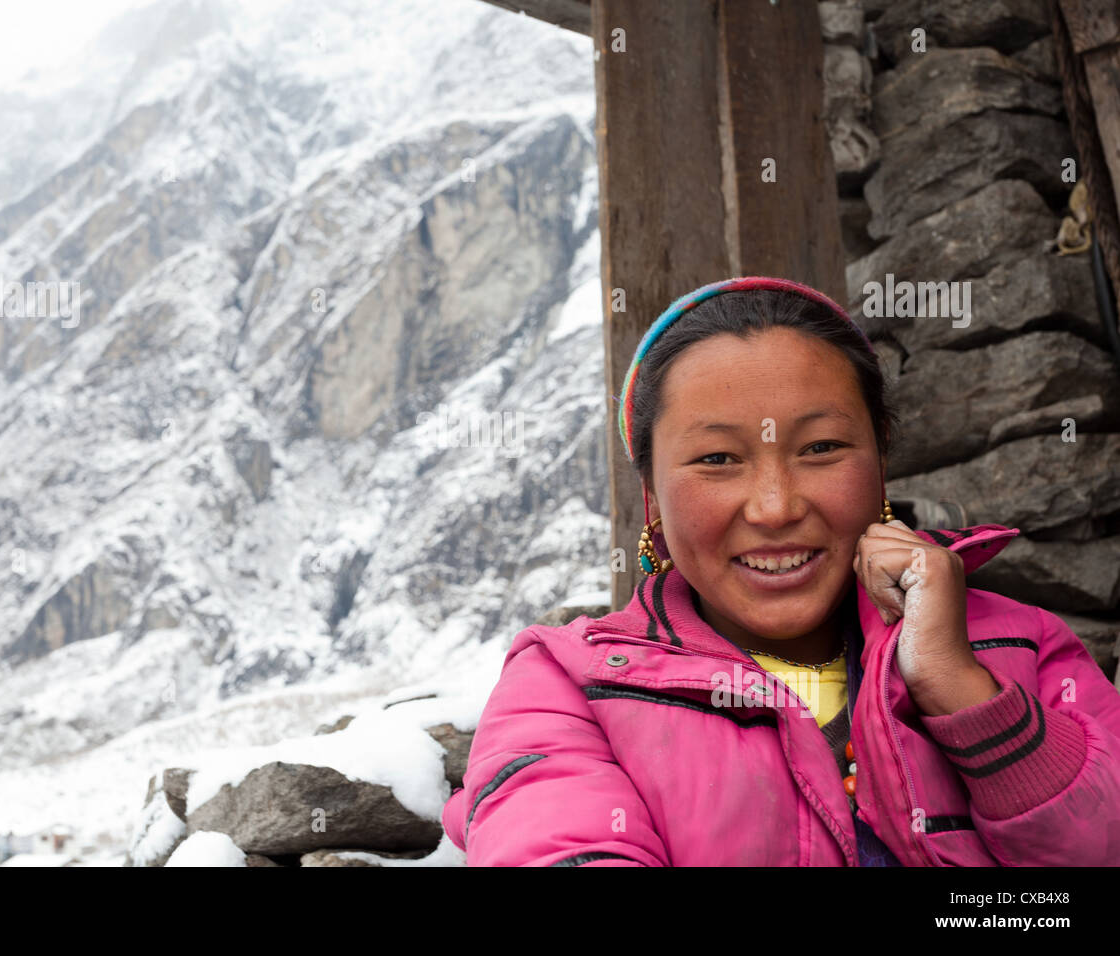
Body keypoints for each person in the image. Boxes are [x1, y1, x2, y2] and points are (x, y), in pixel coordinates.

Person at [440, 276, 1120, 866]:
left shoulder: (1017, 645)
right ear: (652, 494)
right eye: (716, 459)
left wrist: (957, 685)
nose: (775, 507)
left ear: (880, 460)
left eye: (821, 447)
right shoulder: (568, 687)